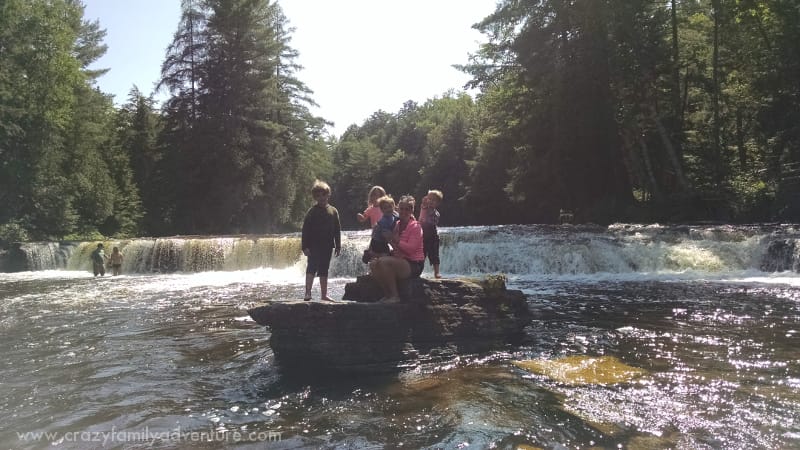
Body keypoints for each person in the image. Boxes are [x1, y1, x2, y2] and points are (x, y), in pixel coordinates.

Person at [369, 195, 424, 303]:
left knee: (383, 262)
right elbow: (395, 247)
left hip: (414, 264)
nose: (404, 212)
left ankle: (395, 296)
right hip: (400, 260)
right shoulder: (397, 224)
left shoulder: (415, 226)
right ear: (397, 209)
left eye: (407, 209)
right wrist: (388, 240)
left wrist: (395, 239)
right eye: (401, 209)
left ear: (412, 210)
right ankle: (387, 295)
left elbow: (411, 249)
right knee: (373, 264)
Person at [301, 180, 342, 302]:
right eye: (318, 196)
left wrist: (338, 245)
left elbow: (337, 229)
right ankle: (307, 293)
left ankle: (324, 295)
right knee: (311, 268)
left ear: (328, 194)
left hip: (327, 246)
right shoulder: (312, 212)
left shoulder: (333, 211)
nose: (321, 198)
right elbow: (305, 230)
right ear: (315, 197)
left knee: (324, 269)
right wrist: (305, 246)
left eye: (323, 195)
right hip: (314, 246)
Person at [363, 195, 399, 262]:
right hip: (378, 242)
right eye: (385, 208)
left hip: (382, 241)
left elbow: (399, 218)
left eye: (390, 207)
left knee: (387, 254)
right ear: (382, 210)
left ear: (393, 207)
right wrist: (395, 247)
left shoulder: (395, 215)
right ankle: (370, 254)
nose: (388, 209)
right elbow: (386, 236)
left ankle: (371, 253)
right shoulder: (383, 221)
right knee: (385, 255)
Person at [419, 189, 444, 278]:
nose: (430, 201)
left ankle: (436, 272)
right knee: (421, 255)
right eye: (429, 199)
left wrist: (426, 207)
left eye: (433, 200)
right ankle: (418, 272)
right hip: (423, 235)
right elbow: (423, 210)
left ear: (437, 203)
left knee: (434, 255)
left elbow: (430, 221)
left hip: (433, 236)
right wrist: (425, 203)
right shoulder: (424, 208)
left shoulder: (436, 213)